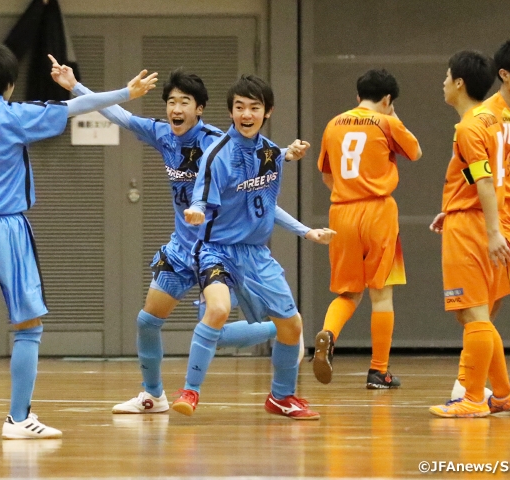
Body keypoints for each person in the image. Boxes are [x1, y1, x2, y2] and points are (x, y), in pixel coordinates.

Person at [48, 59, 334, 414]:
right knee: (148, 320)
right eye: (171, 101)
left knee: (218, 325)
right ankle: (153, 395)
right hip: (182, 248)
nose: (176, 108)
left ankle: (280, 332)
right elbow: (119, 115)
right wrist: (75, 86)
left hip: (214, 246)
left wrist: (286, 165)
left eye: (185, 102)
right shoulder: (162, 133)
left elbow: (256, 186)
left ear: (200, 109)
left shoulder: (216, 144)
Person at [0, 44, 157, 438]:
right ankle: (17, 419)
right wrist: (125, 93)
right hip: (6, 227)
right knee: (28, 326)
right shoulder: (17, 115)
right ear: (10, 85)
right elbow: (78, 108)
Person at [173, 74, 331, 420]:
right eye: (239, 107)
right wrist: (197, 211)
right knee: (216, 312)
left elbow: (267, 205)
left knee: (292, 326)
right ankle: (189, 391)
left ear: (267, 112)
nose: (246, 114)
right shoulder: (217, 155)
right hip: (216, 250)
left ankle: (281, 397)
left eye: (254, 108)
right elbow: (201, 196)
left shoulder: (271, 154)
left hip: (257, 254)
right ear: (230, 113)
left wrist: (306, 232)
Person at [442, 39, 510, 406]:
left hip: (507, 214)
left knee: (486, 308)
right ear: (504, 75)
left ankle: (476, 385)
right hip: (493, 216)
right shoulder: (484, 118)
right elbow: (478, 175)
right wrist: (474, 213)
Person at [312, 69, 422, 389]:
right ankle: (378, 371)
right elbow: (415, 151)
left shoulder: (334, 124)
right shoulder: (387, 122)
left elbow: (327, 176)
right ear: (387, 99)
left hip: (341, 213)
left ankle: (329, 334)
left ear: (358, 96)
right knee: (381, 294)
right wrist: (393, 115)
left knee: (348, 292)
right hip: (378, 212)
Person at [429, 50, 510, 417]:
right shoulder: (496, 120)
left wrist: (491, 230)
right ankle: (502, 393)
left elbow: (484, 179)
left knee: (473, 314)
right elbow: (480, 174)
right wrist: (453, 204)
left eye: (447, 76)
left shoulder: (469, 126)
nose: (444, 82)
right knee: (474, 313)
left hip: (474, 228)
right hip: (477, 218)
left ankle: (472, 399)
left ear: (460, 83)